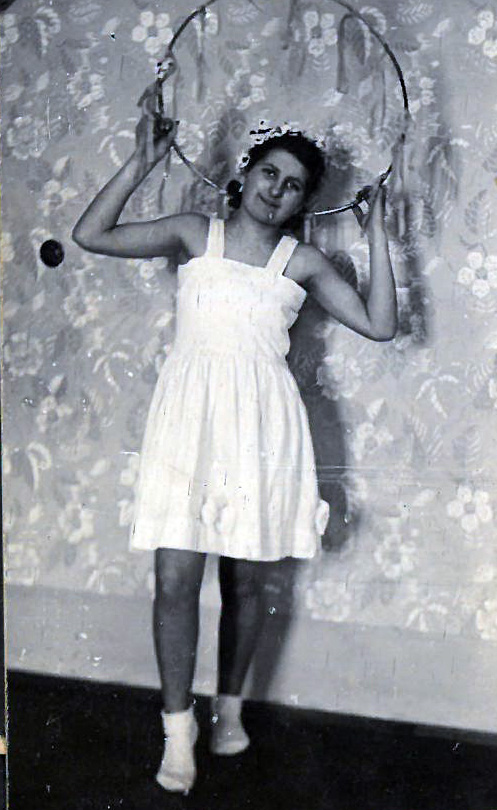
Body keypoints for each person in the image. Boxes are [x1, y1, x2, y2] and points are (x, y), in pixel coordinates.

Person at [72, 105, 397, 794]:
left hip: (261, 427)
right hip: (188, 422)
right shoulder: (197, 233)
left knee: (246, 582)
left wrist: (375, 233)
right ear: (244, 174)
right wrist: (141, 161)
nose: (276, 190)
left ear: (304, 202)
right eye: (269, 173)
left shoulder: (301, 261)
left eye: (293, 185)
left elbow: (380, 324)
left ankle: (228, 711)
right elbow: (90, 234)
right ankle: (177, 733)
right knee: (175, 580)